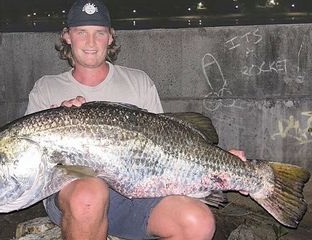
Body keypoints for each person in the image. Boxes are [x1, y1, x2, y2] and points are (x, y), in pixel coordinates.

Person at [25, 0, 246, 239]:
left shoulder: (138, 82)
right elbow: (30, 162)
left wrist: (218, 162)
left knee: (197, 222)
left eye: (99, 33)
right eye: (81, 33)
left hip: (136, 195)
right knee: (90, 192)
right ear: (67, 37)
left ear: (110, 37)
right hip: (75, 194)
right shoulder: (47, 88)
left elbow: (169, 148)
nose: (90, 42)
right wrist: (56, 118)